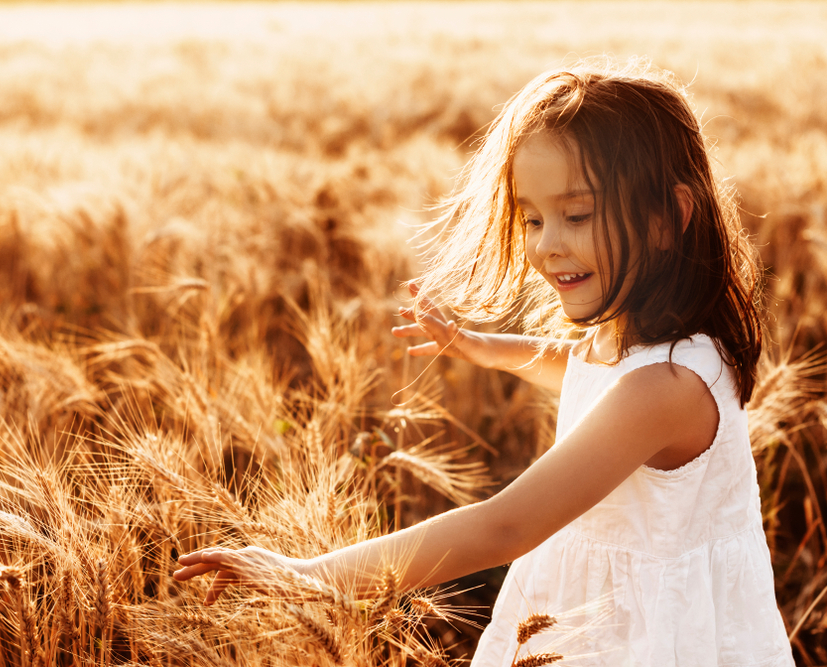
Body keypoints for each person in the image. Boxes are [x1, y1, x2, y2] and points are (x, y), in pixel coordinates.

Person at [173, 58, 795, 666]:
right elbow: (585, 370)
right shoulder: (637, 351)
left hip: (654, 642)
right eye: (532, 218)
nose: (547, 244)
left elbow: (504, 528)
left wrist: (308, 576)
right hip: (598, 621)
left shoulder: (668, 388)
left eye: (577, 215)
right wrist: (488, 349)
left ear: (669, 220)